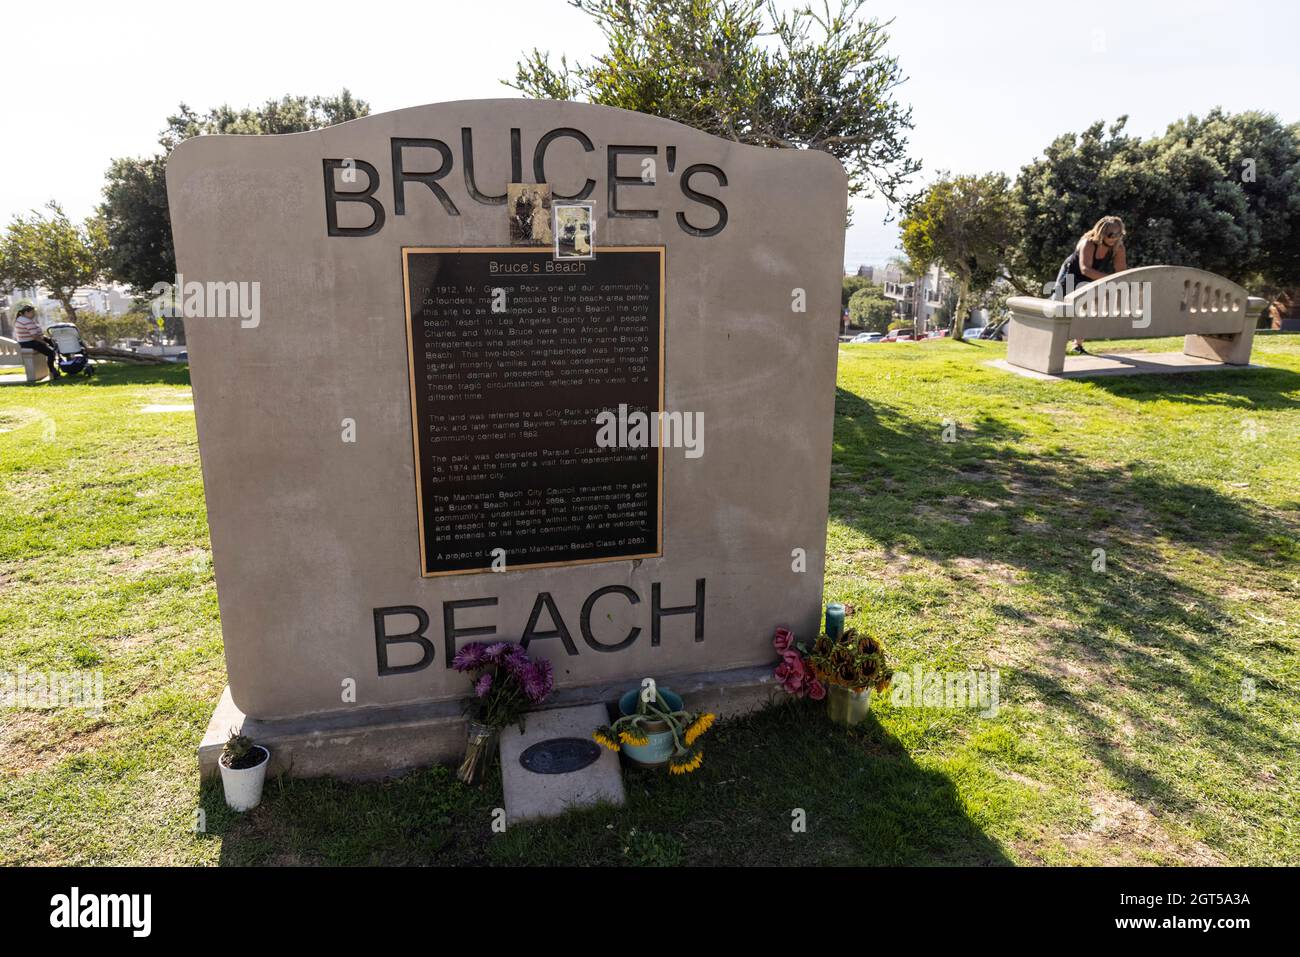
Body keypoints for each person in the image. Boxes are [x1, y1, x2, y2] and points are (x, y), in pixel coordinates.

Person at [1052, 216, 1128, 355]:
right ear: (1102, 233)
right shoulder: (1088, 243)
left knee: (1087, 308)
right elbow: (1085, 269)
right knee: (1059, 306)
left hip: (1093, 276)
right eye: (1112, 235)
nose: (1115, 238)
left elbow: (1121, 273)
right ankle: (1052, 341)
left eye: (1119, 234)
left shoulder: (1118, 248)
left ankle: (1077, 345)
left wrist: (1118, 284)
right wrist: (1110, 280)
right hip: (1072, 273)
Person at [13, 305, 59, 380]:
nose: (33, 314)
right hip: (29, 342)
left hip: (25, 341)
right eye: (32, 312)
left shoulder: (20, 319)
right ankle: (52, 371)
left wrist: (45, 339)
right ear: (26, 312)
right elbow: (34, 336)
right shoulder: (27, 321)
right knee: (50, 352)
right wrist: (44, 342)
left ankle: (61, 362)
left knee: (52, 343)